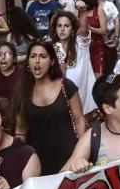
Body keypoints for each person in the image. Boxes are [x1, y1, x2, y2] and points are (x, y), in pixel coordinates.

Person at [14, 40, 86, 175]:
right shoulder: (22, 92)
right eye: (33, 56)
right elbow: (20, 132)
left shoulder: (66, 86)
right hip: (39, 163)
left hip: (70, 157)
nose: (37, 61)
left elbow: (80, 120)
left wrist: (81, 153)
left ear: (52, 61)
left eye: (43, 56)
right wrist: (20, 160)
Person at [48, 1, 98, 114]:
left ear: (72, 29)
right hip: (62, 103)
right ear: (55, 29)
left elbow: (84, 30)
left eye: (66, 26)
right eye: (59, 26)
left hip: (86, 104)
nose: (62, 29)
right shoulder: (50, 49)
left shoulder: (80, 44)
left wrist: (83, 11)